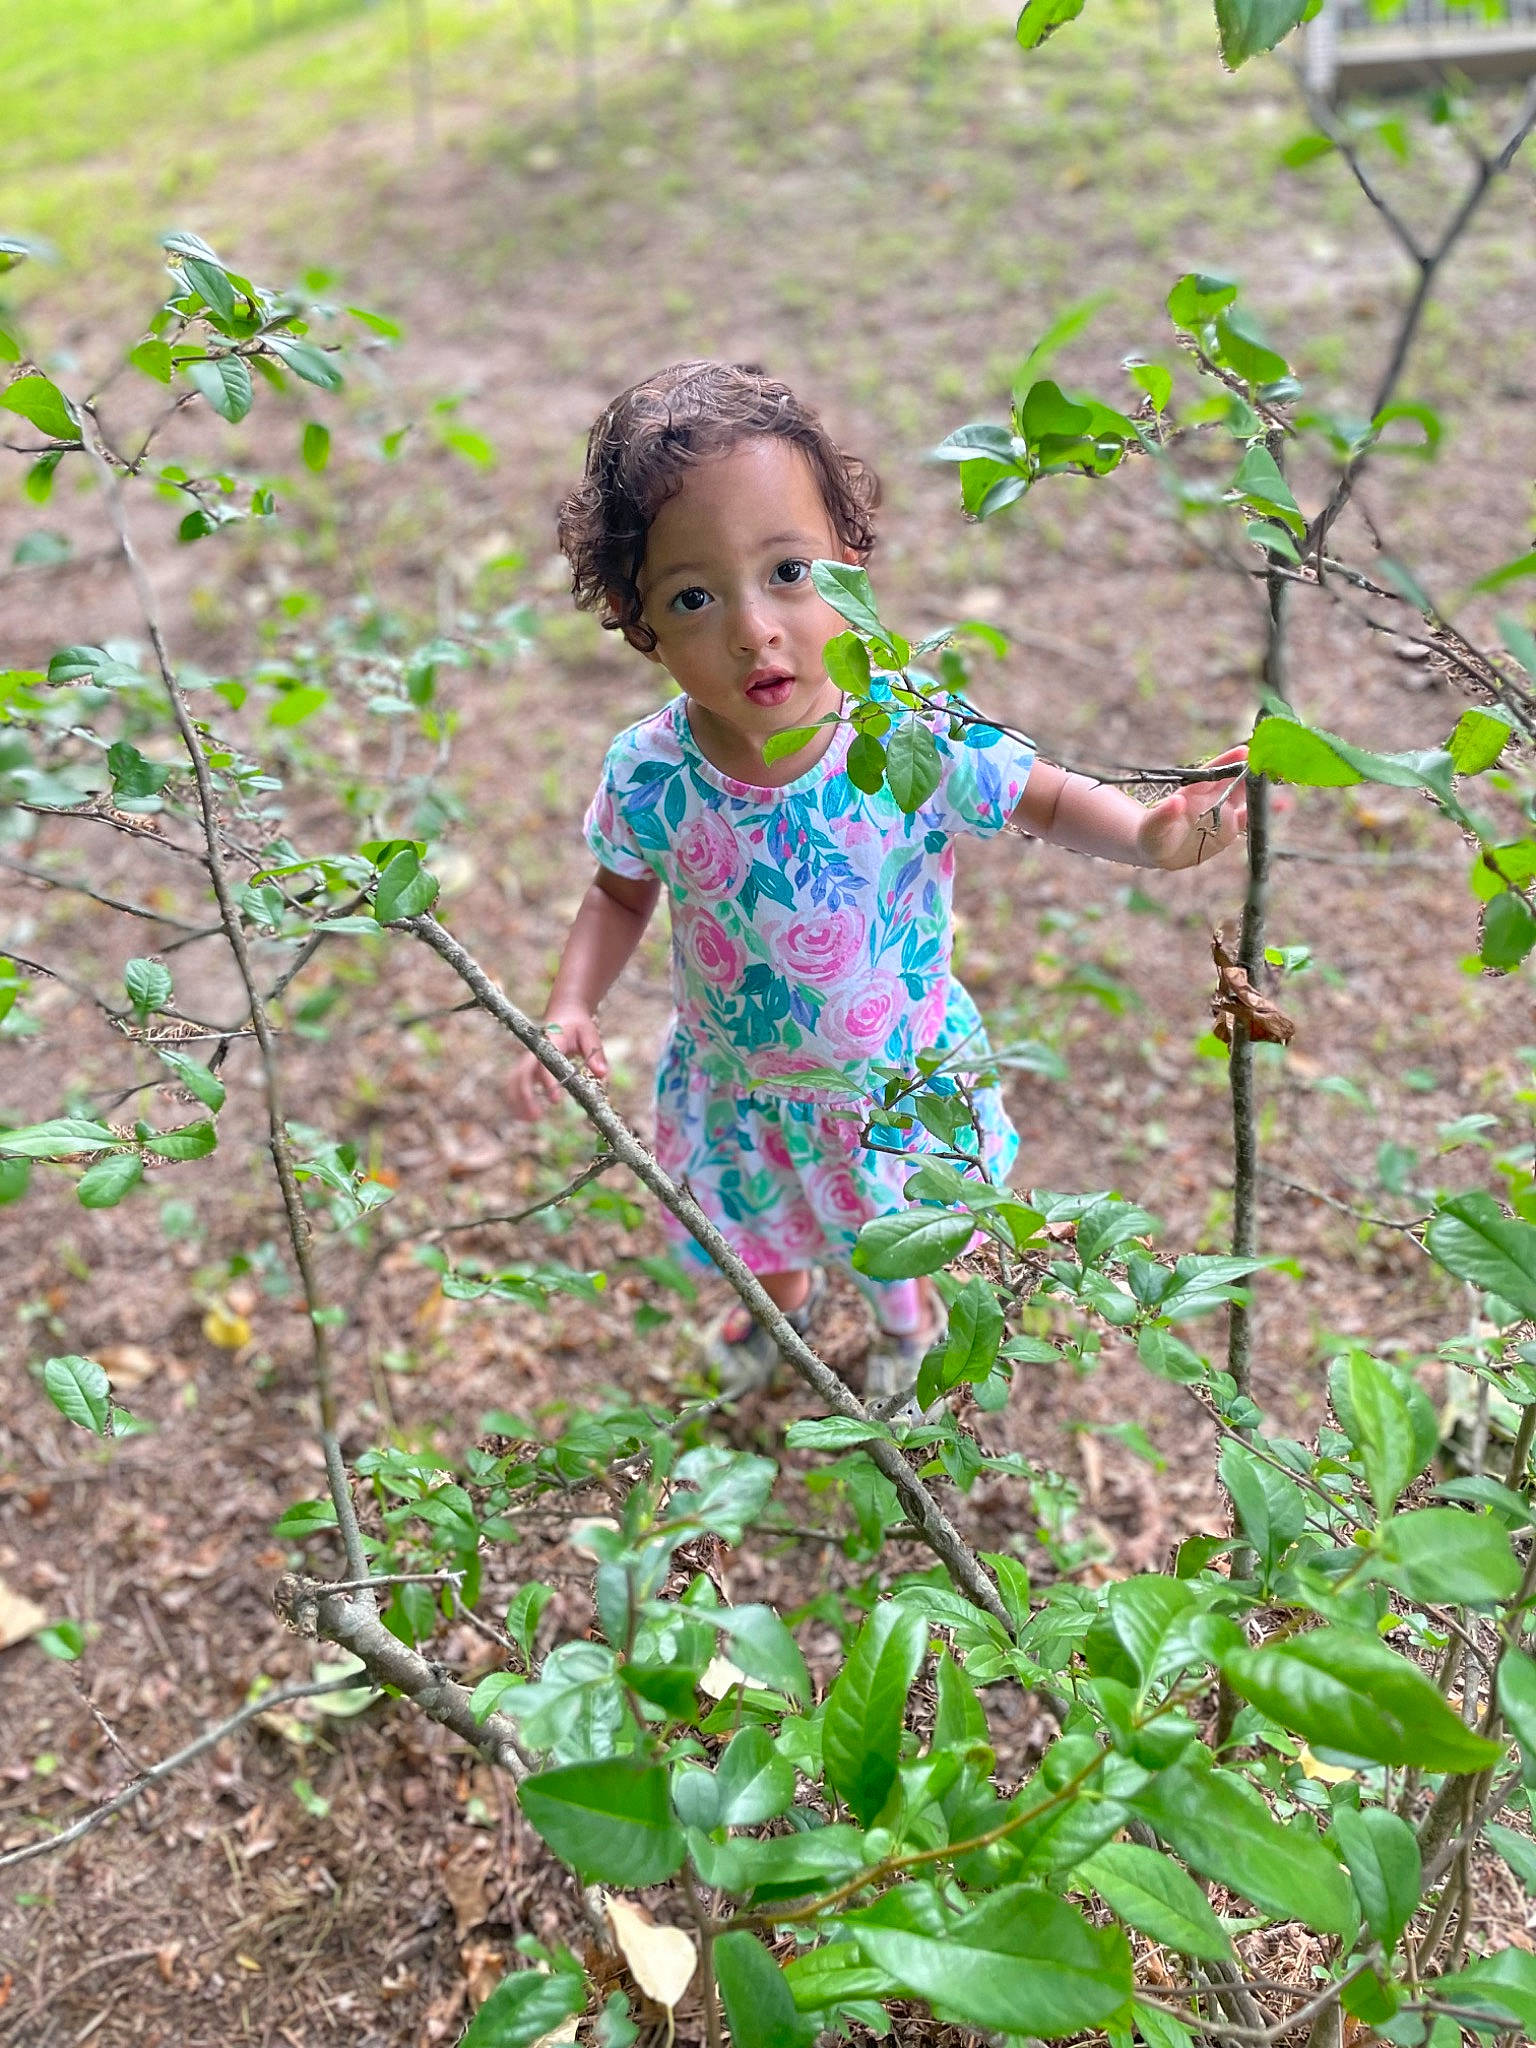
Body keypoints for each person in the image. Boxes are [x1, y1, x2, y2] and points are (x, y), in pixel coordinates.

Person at [509, 360, 1248, 1402]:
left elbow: (1033, 795)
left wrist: (1150, 836)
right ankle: (781, 1299)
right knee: (757, 1218)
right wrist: (573, 1000)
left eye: (789, 573)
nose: (752, 628)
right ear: (642, 623)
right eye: (692, 595)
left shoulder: (901, 728)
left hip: (889, 1081)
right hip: (739, 1081)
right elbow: (620, 889)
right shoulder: (652, 770)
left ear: (850, 562)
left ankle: (907, 1319)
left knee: (888, 1231)